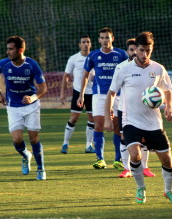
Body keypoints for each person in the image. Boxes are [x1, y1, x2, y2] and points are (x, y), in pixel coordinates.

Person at [104, 32, 172, 204]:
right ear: (135, 49)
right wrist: (108, 118)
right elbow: (111, 94)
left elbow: (168, 90)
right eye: (141, 50)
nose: (144, 54)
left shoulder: (158, 69)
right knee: (135, 155)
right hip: (131, 121)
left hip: (154, 122)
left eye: (148, 50)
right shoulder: (124, 69)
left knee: (167, 160)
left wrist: (169, 107)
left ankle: (169, 190)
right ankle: (140, 187)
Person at [0, 36, 48, 180]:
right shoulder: (4, 64)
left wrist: (33, 97)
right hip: (13, 106)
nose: (8, 52)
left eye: (11, 49)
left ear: (20, 50)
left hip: (31, 107)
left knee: (33, 139)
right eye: (7, 49)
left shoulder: (32, 65)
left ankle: (40, 169)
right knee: (17, 140)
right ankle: (26, 155)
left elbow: (43, 88)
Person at [77, 27, 128, 170]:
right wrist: (81, 94)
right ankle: (100, 159)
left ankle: (118, 160)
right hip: (99, 95)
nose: (105, 40)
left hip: (117, 95)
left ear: (113, 38)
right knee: (98, 125)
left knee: (118, 127)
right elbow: (85, 75)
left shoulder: (121, 54)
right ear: (99, 40)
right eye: (102, 38)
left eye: (107, 37)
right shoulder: (93, 55)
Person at [113, 38, 155, 178]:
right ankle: (126, 169)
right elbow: (114, 90)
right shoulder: (121, 67)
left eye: (134, 50)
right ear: (128, 51)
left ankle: (145, 167)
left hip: (144, 109)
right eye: (131, 50)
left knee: (144, 139)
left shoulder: (150, 67)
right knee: (124, 137)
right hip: (124, 108)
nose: (133, 52)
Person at [60, 35, 95, 154]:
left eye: (88, 42)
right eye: (83, 42)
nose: (86, 44)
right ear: (79, 45)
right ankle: (65, 144)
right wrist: (62, 93)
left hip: (92, 93)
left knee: (92, 119)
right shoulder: (74, 58)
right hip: (77, 92)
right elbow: (66, 76)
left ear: (90, 44)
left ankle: (88, 146)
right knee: (74, 118)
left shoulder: (95, 57)